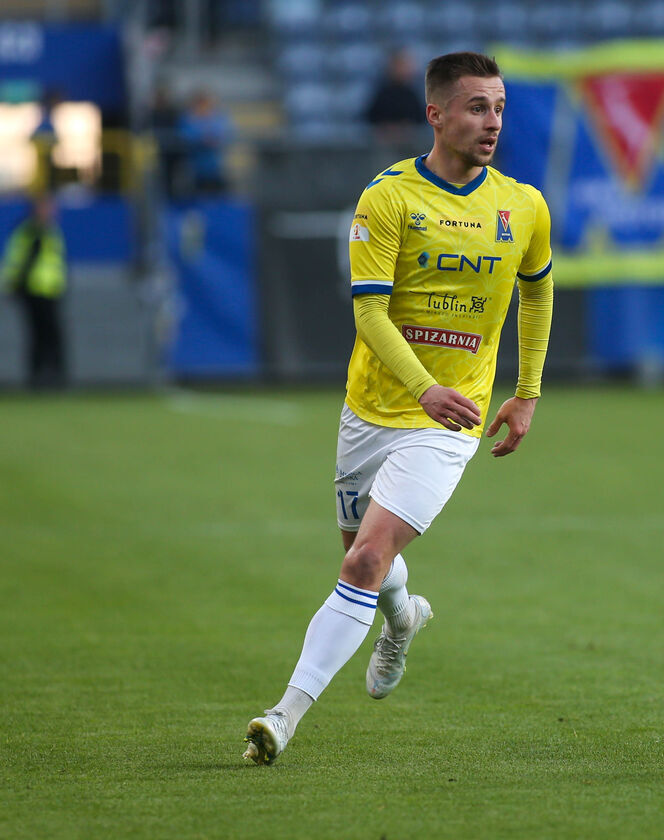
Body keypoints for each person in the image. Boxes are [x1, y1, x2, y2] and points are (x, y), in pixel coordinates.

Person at [243, 51, 555, 765]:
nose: (492, 122)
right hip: (373, 407)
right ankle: (403, 620)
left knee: (364, 560)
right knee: (364, 558)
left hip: (451, 420)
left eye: (499, 108)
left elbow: (537, 291)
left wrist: (527, 392)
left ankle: (283, 717)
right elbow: (370, 314)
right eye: (476, 107)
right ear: (435, 114)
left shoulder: (524, 206)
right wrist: (421, 387)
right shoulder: (387, 198)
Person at [3, 194, 68, 389]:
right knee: (42, 336)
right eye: (47, 208)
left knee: (49, 336)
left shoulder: (49, 231)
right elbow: (20, 261)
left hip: (50, 291)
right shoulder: (33, 232)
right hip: (34, 291)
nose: (52, 212)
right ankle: (41, 377)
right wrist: (14, 286)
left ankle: (51, 376)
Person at [364, 49, 427, 142]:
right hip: (384, 142)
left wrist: (405, 128)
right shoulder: (382, 93)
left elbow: (419, 119)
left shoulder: (412, 94)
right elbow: (372, 118)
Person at [178, 89, 233, 193]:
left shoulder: (218, 117)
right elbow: (184, 134)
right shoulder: (188, 118)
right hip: (195, 169)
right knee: (197, 194)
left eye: (206, 103)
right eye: (201, 104)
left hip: (216, 167)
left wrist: (215, 139)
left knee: (217, 194)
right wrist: (201, 139)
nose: (204, 107)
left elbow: (228, 133)